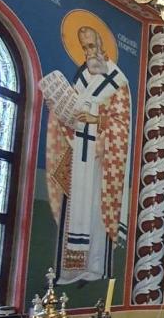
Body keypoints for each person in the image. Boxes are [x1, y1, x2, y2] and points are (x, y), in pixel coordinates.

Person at [43, 25, 131, 284]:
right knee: (73, 210)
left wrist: (97, 119)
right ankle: (69, 270)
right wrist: (57, 109)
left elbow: (122, 124)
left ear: (102, 45)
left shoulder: (117, 81)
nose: (89, 52)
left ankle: (95, 266)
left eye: (92, 46)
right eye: (84, 48)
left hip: (101, 160)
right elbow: (71, 114)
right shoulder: (80, 78)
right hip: (77, 154)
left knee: (96, 210)